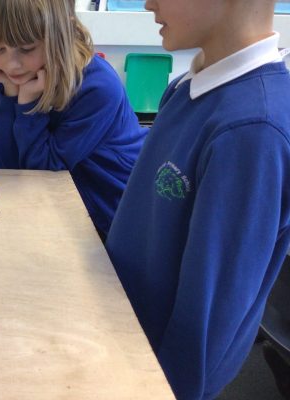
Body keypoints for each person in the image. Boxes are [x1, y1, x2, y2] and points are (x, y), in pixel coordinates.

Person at [105, 0, 290, 398]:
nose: (148, 3)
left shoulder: (252, 131)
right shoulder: (185, 88)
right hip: (118, 335)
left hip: (151, 377)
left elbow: (206, 326)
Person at [0, 0, 147, 238]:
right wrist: (11, 95)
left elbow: (45, 172)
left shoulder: (97, 87)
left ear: (61, 37)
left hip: (111, 216)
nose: (12, 65)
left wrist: (28, 104)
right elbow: (2, 161)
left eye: (27, 49)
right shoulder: (2, 75)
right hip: (58, 210)